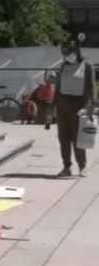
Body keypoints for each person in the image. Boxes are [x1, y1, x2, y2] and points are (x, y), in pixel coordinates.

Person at [54, 34, 97, 177]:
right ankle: (66, 166)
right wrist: (53, 104)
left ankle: (81, 166)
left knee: (78, 137)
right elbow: (58, 86)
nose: (66, 56)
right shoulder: (64, 66)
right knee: (63, 137)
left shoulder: (87, 66)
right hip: (63, 104)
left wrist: (89, 106)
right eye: (64, 54)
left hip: (79, 104)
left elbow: (91, 87)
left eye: (68, 53)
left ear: (76, 52)